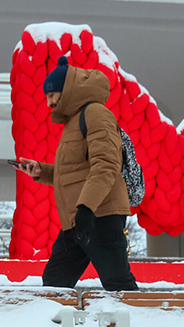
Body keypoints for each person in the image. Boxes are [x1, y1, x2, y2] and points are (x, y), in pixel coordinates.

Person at [17, 57, 138, 291]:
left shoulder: (96, 114)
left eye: (51, 95)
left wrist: (86, 208)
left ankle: (141, 325)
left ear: (67, 90)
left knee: (118, 284)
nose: (49, 102)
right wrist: (41, 171)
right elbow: (76, 173)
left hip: (100, 214)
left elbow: (106, 165)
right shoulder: (74, 122)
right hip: (77, 219)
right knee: (54, 284)